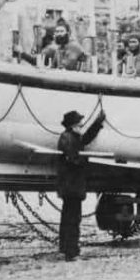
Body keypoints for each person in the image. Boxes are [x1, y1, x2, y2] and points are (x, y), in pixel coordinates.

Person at [56, 109, 106, 261]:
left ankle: (65, 248)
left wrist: (98, 123)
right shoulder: (67, 138)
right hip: (72, 186)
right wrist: (86, 162)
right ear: (72, 125)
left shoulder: (70, 136)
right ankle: (71, 252)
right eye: (79, 124)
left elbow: (86, 138)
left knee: (68, 217)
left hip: (70, 186)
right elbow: (73, 159)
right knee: (73, 219)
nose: (81, 125)